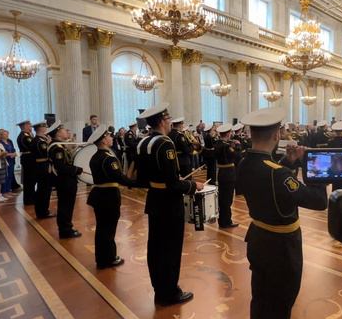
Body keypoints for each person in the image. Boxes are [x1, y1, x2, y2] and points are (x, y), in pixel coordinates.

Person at [236, 107, 327, 319]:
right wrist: (315, 166)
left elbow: (271, 182)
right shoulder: (277, 173)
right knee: (280, 303)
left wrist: (288, 162)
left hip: (258, 238)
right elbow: (318, 201)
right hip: (282, 248)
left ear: (250, 134)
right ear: (277, 135)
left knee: (261, 298)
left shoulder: (244, 163)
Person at [135, 102, 203, 306]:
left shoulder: (142, 143)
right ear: (162, 121)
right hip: (168, 204)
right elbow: (173, 184)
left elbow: (142, 179)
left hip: (154, 200)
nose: (170, 122)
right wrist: (192, 185)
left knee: (155, 248)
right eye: (168, 119)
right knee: (171, 249)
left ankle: (160, 289)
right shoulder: (164, 144)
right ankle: (170, 292)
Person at [87, 125, 137, 268]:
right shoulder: (108, 158)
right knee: (108, 229)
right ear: (103, 140)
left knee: (102, 228)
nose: (111, 138)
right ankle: (108, 259)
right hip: (108, 197)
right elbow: (119, 178)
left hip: (99, 196)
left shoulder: (95, 156)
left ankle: (101, 258)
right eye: (109, 136)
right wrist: (137, 183)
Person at [47, 121, 83, 238]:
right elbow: (61, 167)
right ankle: (65, 230)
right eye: (63, 130)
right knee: (65, 206)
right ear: (58, 133)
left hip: (65, 180)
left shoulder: (58, 145)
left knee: (66, 205)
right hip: (65, 180)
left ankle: (67, 227)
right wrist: (76, 169)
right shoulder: (57, 148)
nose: (65, 131)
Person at [214, 123, 241, 229]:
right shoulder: (226, 146)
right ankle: (226, 222)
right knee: (227, 199)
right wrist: (237, 146)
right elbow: (237, 156)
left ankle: (222, 220)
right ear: (228, 133)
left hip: (221, 172)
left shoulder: (217, 144)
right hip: (228, 173)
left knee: (222, 198)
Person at [32, 121, 55, 219]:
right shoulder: (39, 141)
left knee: (44, 189)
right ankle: (43, 212)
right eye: (45, 126)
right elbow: (45, 153)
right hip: (42, 166)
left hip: (42, 165)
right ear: (40, 128)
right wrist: (49, 144)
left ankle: (43, 210)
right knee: (44, 190)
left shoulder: (41, 139)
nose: (46, 127)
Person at [17, 120, 36, 205]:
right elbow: (31, 146)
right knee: (29, 180)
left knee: (31, 180)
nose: (31, 127)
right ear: (24, 126)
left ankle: (31, 198)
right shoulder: (24, 136)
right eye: (29, 125)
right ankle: (29, 199)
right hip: (28, 159)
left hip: (29, 158)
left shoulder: (28, 135)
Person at [0, 129, 21, 196]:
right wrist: (10, 154)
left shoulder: (9, 141)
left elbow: (13, 149)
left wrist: (14, 153)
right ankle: (4, 192)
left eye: (7, 134)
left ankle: (9, 190)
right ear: (1, 135)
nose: (7, 135)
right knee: (6, 176)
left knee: (10, 176)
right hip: (5, 161)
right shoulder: (0, 143)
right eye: (5, 134)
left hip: (11, 160)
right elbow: (1, 152)